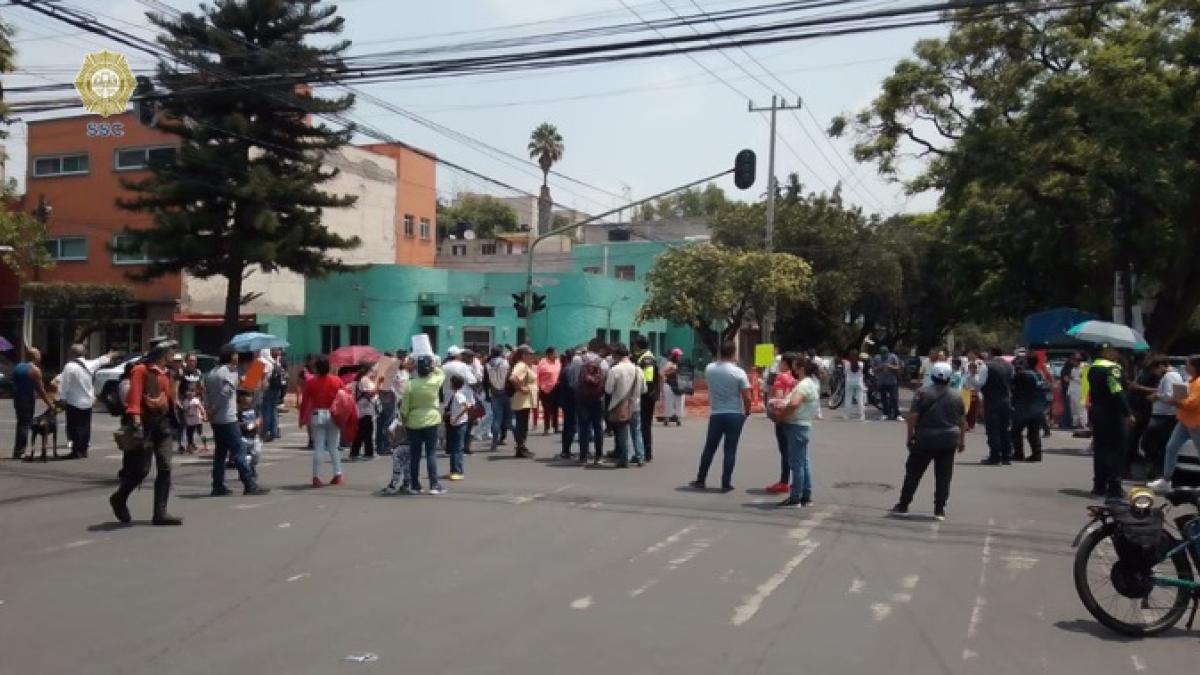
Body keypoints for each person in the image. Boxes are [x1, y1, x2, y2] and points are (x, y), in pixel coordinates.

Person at [109, 338, 184, 526]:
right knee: (141, 470)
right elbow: (134, 397)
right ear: (161, 354)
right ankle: (119, 498)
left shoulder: (169, 373)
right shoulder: (140, 370)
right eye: (170, 352)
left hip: (164, 424)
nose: (172, 356)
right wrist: (135, 418)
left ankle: (160, 513)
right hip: (146, 424)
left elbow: (170, 397)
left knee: (165, 466)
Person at [890, 362, 966, 521]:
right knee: (944, 475)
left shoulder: (922, 393)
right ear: (949, 378)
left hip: (925, 439)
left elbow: (913, 418)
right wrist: (961, 441)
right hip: (948, 440)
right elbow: (962, 421)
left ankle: (903, 505)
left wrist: (909, 437)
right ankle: (939, 509)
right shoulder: (956, 395)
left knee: (913, 473)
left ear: (932, 376)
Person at [690, 341, 753, 492]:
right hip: (734, 414)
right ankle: (726, 482)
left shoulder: (710, 369)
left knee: (709, 448)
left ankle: (701, 478)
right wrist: (747, 411)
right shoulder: (739, 372)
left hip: (717, 413)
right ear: (733, 353)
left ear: (719, 352)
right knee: (730, 450)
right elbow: (747, 396)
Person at [204, 346, 267, 497]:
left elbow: (206, 392)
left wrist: (209, 410)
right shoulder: (229, 372)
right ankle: (249, 484)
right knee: (238, 451)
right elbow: (225, 394)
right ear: (231, 356)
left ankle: (218, 485)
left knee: (220, 453)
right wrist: (214, 408)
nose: (237, 357)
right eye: (235, 355)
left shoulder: (212, 372)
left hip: (217, 420)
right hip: (227, 418)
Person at [771, 357, 821, 508]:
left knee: (796, 463)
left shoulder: (804, 385)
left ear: (801, 368)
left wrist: (782, 415)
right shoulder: (811, 383)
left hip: (796, 425)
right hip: (803, 425)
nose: (793, 369)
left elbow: (794, 403)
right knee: (803, 462)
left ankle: (796, 498)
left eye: (795, 367)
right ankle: (805, 495)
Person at [1147, 356, 1200, 493]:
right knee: (1171, 447)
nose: (1185, 367)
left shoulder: (1198, 383)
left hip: (1195, 422)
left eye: (1188, 365)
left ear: (1195, 366)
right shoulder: (1191, 380)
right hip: (1184, 420)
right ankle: (1166, 480)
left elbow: (1192, 404)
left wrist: (1176, 401)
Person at [57, 344, 117, 460]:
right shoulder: (89, 364)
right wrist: (110, 355)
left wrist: (61, 398)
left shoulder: (69, 366)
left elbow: (64, 384)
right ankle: (83, 450)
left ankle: (76, 450)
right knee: (85, 426)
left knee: (75, 427)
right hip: (88, 401)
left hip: (74, 401)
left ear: (72, 353)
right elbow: (101, 360)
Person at [1088, 347, 1132, 497]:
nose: (1118, 355)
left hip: (1097, 412)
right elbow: (1116, 391)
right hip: (1113, 414)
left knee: (1100, 450)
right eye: (1117, 352)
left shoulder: (1093, 368)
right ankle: (1115, 486)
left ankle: (1099, 485)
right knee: (1117, 450)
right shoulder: (1112, 369)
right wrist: (1128, 412)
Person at [402, 355, 446, 494]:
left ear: (417, 369)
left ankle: (415, 485)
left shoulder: (410, 384)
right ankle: (434, 485)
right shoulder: (435, 381)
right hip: (431, 419)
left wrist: (404, 422)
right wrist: (434, 366)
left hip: (414, 421)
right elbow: (441, 373)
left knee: (415, 455)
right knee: (431, 453)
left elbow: (404, 408)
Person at [298, 356, 345, 488]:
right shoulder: (337, 380)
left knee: (318, 447)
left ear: (317, 368)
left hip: (317, 414)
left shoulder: (311, 382)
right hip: (333, 414)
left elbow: (305, 402)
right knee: (333, 447)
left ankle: (316, 477)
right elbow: (345, 397)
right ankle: (338, 474)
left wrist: (302, 418)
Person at [604, 343, 647, 468]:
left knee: (623, 432)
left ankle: (624, 458)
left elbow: (608, 389)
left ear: (616, 355)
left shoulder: (615, 370)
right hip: (635, 405)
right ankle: (640, 456)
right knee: (637, 431)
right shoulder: (638, 369)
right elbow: (644, 389)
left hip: (620, 406)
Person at [11, 347, 55, 461]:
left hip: (17, 398)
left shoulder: (17, 367)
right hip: (27, 398)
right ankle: (20, 450)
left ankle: (17, 449)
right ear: (35, 357)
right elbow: (41, 390)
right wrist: (50, 404)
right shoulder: (35, 370)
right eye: (39, 355)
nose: (40, 357)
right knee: (25, 424)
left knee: (20, 422)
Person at [1141, 357, 1180, 480]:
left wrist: (1156, 396)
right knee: (1158, 444)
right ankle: (1158, 471)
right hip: (1165, 415)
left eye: (1155, 369)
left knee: (1150, 443)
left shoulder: (1169, 377)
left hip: (1163, 416)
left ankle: (1156, 471)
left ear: (1162, 366)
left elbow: (1169, 396)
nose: (1154, 372)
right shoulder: (1174, 375)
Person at [572, 338, 609, 464]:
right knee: (598, 427)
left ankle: (583, 456)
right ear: (600, 349)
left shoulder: (578, 360)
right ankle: (598, 456)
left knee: (583, 428)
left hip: (582, 399)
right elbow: (606, 381)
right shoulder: (603, 362)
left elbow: (574, 380)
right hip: (598, 399)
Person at [1124, 353, 1162, 478]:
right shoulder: (1143, 373)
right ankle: (1126, 469)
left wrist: (1138, 387)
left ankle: (1151, 468)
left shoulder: (1155, 374)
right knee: (1132, 440)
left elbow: (1159, 391)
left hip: (1146, 410)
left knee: (1146, 442)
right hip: (1137, 409)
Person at [765, 352, 797, 494]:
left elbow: (779, 399)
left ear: (785, 363)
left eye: (780, 362)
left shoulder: (781, 377)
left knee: (785, 451)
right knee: (794, 451)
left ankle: (784, 481)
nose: (779, 364)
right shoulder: (796, 378)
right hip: (795, 416)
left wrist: (774, 412)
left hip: (783, 417)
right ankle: (794, 481)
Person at [978, 347, 1015, 465]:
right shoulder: (1010, 366)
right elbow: (1011, 381)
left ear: (991, 354)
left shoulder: (987, 366)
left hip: (992, 401)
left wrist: (972, 382)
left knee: (993, 429)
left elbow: (980, 383)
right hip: (1006, 400)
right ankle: (1007, 456)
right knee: (1005, 429)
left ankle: (995, 456)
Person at [441, 347, 478, 455]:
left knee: (450, 424)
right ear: (458, 355)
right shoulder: (463, 366)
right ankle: (464, 447)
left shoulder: (443, 367)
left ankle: (449, 448)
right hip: (464, 399)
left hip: (448, 399)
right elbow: (472, 381)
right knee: (466, 424)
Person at [1009, 357, 1046, 462]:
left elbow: (1012, 385)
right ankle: (1037, 454)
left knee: (1015, 431)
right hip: (1038, 406)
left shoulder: (1022, 375)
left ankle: (1018, 453)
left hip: (1024, 407)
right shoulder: (1039, 375)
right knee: (1033, 433)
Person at [632, 335, 659, 461]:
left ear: (638, 345)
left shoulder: (647, 359)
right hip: (647, 396)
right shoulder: (643, 357)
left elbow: (648, 379)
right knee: (644, 425)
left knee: (644, 425)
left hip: (646, 397)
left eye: (635, 344)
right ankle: (645, 451)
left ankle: (647, 452)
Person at [509, 345, 537, 459]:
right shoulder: (521, 365)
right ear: (524, 355)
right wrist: (521, 388)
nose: (532, 356)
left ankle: (522, 447)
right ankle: (520, 448)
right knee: (522, 425)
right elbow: (513, 378)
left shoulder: (524, 365)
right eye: (530, 354)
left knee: (523, 425)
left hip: (524, 401)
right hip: (522, 400)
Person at [349, 364, 379, 461]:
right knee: (367, 432)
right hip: (365, 409)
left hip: (364, 408)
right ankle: (368, 452)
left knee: (361, 432)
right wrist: (379, 385)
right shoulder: (364, 380)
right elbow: (369, 394)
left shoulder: (362, 379)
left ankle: (355, 452)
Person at [444, 374, 470, 480]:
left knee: (457, 448)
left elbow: (466, 407)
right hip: (456, 423)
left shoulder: (459, 395)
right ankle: (453, 470)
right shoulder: (455, 395)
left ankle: (458, 471)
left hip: (459, 423)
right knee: (454, 447)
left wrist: (456, 417)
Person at [486, 347, 513, 449]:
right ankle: (519, 442)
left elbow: (486, 381)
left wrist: (488, 393)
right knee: (510, 418)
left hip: (494, 393)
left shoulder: (488, 365)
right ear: (501, 353)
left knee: (496, 418)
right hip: (506, 392)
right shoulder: (505, 363)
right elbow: (509, 377)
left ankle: (494, 442)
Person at [237, 389, 263, 482]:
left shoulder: (254, 408)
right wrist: (244, 425)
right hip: (243, 437)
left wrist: (258, 426)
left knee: (256, 454)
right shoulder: (238, 410)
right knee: (246, 457)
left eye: (249, 396)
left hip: (254, 436)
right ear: (240, 397)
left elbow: (259, 419)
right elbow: (236, 423)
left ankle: (251, 467)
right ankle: (246, 473)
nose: (248, 398)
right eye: (245, 396)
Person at [872, 346, 903, 421]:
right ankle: (885, 414)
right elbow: (874, 369)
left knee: (894, 398)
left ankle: (897, 414)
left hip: (892, 382)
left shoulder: (893, 357)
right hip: (881, 382)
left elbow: (898, 367)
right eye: (882, 353)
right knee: (883, 399)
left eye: (885, 353)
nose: (884, 355)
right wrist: (881, 367)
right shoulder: (877, 358)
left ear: (888, 352)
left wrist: (890, 366)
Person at [557, 348, 577, 459]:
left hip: (566, 401)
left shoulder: (565, 368)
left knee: (568, 426)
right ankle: (566, 450)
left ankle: (566, 450)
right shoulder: (569, 369)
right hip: (570, 402)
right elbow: (570, 386)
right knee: (571, 426)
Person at [537, 347, 561, 435]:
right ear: (549, 354)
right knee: (547, 409)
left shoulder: (558, 362)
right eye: (554, 353)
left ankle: (556, 426)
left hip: (556, 389)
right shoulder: (542, 363)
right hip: (545, 389)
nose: (556, 355)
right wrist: (538, 387)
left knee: (555, 408)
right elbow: (537, 375)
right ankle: (546, 428)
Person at [662, 348, 686, 426]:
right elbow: (663, 372)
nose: (680, 357)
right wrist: (672, 370)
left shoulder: (681, 364)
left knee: (679, 402)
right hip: (670, 384)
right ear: (675, 356)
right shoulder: (669, 363)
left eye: (680, 356)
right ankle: (667, 418)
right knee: (669, 402)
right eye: (679, 355)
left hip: (679, 384)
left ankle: (678, 418)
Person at [842, 350, 866, 422]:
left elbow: (845, 372)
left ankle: (847, 415)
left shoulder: (847, 364)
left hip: (849, 382)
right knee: (860, 399)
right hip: (858, 382)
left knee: (848, 399)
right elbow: (862, 372)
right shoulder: (861, 364)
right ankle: (862, 416)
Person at [183, 385, 207, 454]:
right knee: (189, 434)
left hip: (197, 420)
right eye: (188, 392)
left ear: (194, 393)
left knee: (200, 433)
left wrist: (204, 415)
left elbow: (201, 408)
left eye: (192, 392)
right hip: (189, 421)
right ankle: (190, 447)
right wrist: (185, 415)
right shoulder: (185, 401)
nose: (190, 394)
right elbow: (184, 410)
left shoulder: (195, 400)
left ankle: (205, 446)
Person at [1068, 354, 1088, 430]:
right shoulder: (1073, 369)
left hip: (1081, 391)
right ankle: (1076, 423)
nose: (1072, 362)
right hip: (1073, 391)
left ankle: (1083, 423)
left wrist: (1074, 378)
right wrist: (1069, 391)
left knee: (1081, 408)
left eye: (1074, 360)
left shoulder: (1084, 368)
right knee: (1074, 408)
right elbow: (1071, 381)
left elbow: (1084, 381)